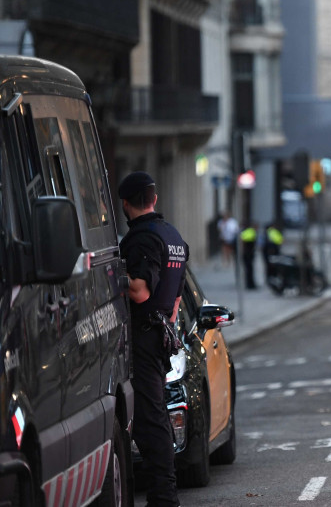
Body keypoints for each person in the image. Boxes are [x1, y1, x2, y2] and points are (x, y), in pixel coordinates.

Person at [118, 171, 187, 507]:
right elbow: (175, 304)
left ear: (125, 204)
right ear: (155, 199)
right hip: (162, 336)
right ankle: (163, 493)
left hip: (143, 337)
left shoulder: (143, 238)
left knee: (149, 419)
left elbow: (141, 291)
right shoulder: (173, 237)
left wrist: (111, 271)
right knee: (154, 414)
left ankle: (163, 497)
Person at [240, 221, 259, 289]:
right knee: (249, 270)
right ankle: (250, 284)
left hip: (247, 254)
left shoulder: (246, 232)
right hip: (248, 254)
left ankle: (249, 284)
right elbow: (244, 242)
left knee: (248, 270)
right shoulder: (251, 232)